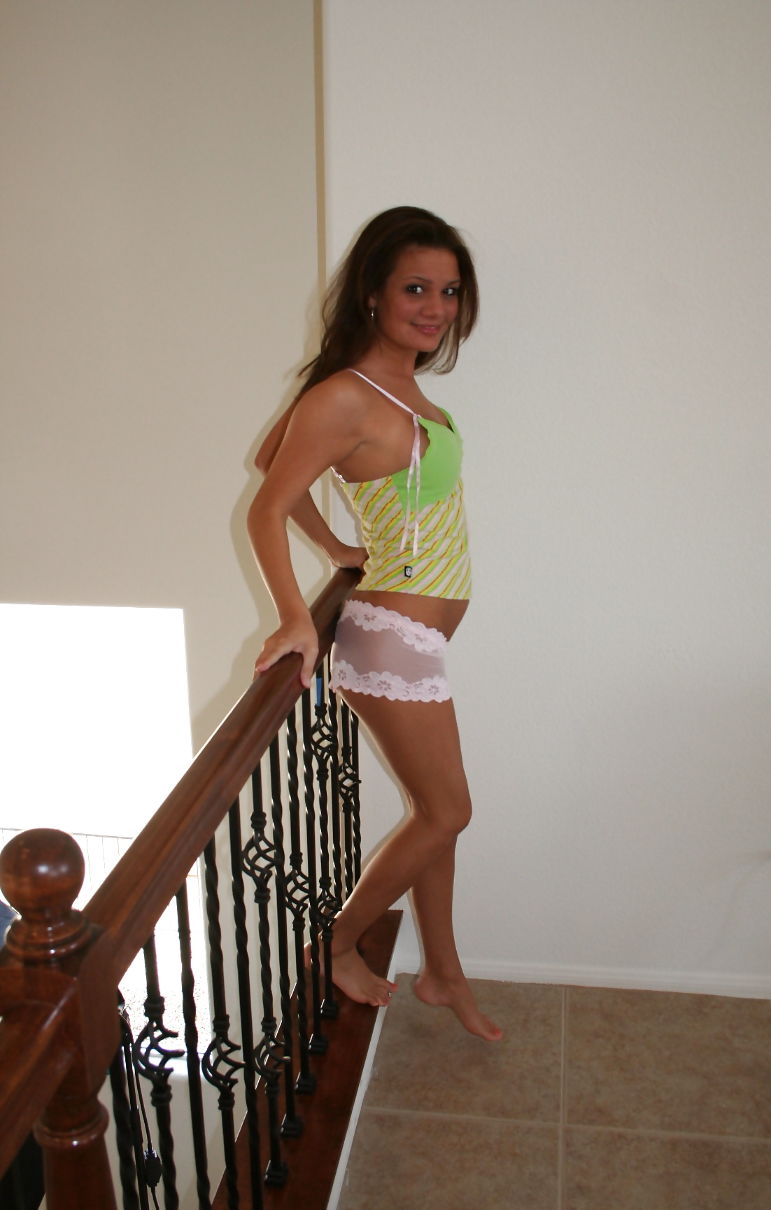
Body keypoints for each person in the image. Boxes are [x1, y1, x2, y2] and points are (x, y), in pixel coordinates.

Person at [247, 206, 501, 1042]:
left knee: (435, 814)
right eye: (416, 289)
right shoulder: (346, 395)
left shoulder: (401, 390)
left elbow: (269, 457)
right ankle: (334, 943)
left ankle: (442, 971)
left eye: (449, 291)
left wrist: (339, 546)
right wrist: (296, 615)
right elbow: (267, 504)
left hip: (413, 636)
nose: (436, 308)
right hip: (388, 640)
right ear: (372, 293)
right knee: (448, 813)